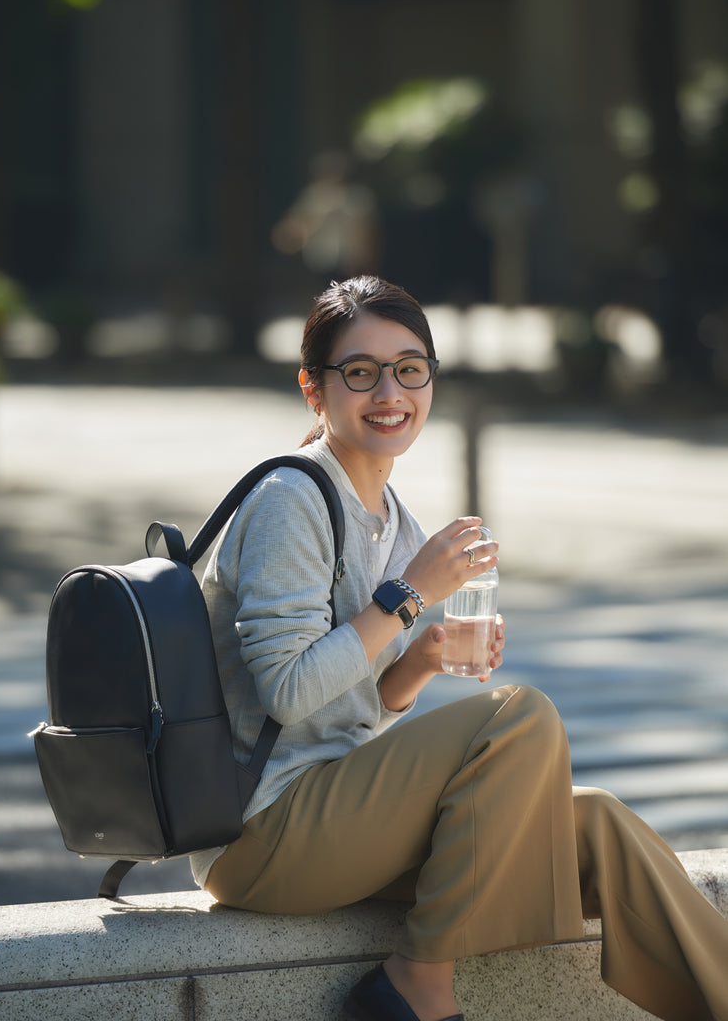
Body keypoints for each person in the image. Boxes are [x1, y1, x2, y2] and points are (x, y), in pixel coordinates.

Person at [190, 275, 728, 1021]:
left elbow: (344, 716)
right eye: (360, 372)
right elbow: (285, 692)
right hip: (261, 835)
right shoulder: (292, 499)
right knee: (517, 716)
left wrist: (413, 665)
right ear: (314, 391)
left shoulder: (397, 524)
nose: (389, 392)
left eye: (410, 369)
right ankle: (418, 978)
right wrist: (405, 598)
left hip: (333, 817)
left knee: (596, 820)